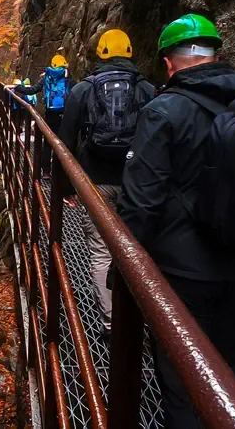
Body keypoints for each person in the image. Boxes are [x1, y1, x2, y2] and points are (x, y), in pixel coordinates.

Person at [117, 14, 235, 428]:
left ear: (168, 62)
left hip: (186, 274)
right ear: (216, 54)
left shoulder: (164, 110)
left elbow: (141, 202)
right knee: (231, 362)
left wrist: (124, 266)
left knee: (183, 377)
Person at [58, 29, 155, 334]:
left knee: (101, 250)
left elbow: (65, 141)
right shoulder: (147, 90)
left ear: (98, 54)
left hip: (94, 182)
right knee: (135, 247)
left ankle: (112, 322)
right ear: (129, 53)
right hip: (135, 183)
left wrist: (66, 187)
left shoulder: (83, 90)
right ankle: (139, 317)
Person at [25, 54, 74, 175]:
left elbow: (32, 90)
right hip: (64, 115)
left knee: (48, 142)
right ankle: (59, 172)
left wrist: (18, 88)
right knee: (63, 143)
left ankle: (46, 171)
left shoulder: (46, 78)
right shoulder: (69, 80)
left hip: (50, 114)